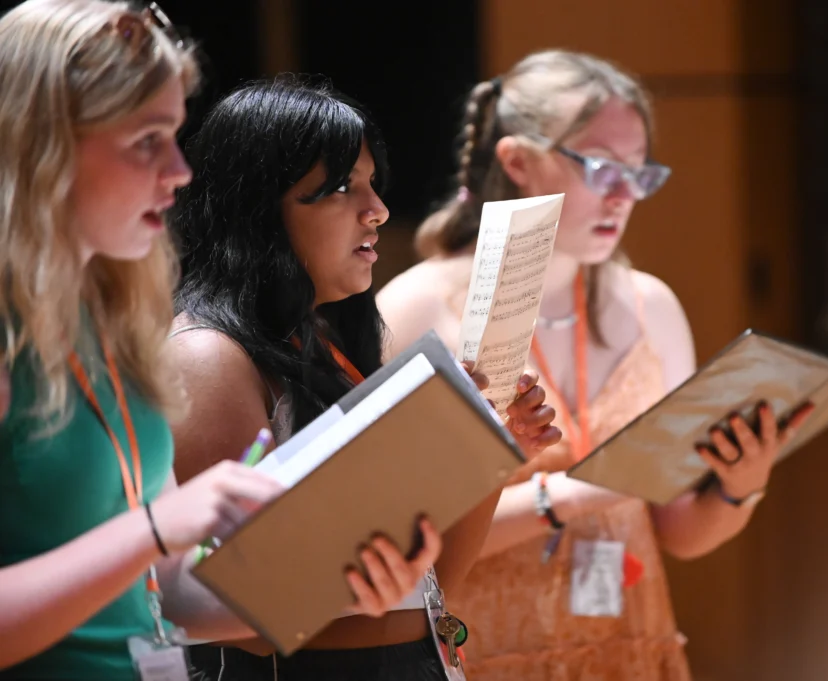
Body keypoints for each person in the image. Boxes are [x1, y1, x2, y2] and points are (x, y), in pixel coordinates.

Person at [377, 49, 815, 681]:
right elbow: (407, 543)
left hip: (629, 651)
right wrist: (585, 492)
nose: (624, 197)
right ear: (518, 161)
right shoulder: (419, 308)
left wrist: (740, 482)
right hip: (486, 658)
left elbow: (681, 533)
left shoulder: (650, 306)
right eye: (603, 169)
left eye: (640, 175)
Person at [168, 76, 560, 680]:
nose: (376, 208)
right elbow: (230, 618)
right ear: (260, 207)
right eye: (342, 188)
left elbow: (429, 591)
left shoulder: (327, 343)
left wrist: (489, 455)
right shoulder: (209, 358)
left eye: (372, 183)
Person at [0, 2, 289, 678]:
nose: (181, 171)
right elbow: (148, 543)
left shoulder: (108, 313)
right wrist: (159, 525)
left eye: (177, 134)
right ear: (41, 148)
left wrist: (339, 570)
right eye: (146, 140)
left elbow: (163, 593)